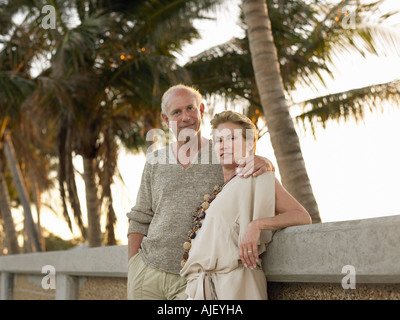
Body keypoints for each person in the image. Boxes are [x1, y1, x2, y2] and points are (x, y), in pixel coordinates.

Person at [126, 84, 274, 300]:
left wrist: (267, 161)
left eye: (190, 109)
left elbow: (253, 174)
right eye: (176, 112)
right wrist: (134, 267)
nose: (185, 117)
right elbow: (140, 216)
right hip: (147, 271)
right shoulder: (155, 160)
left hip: (194, 278)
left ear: (202, 110)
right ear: (166, 120)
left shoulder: (223, 153)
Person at [180, 110, 312, 300]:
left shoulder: (258, 176)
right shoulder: (219, 190)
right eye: (218, 141)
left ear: (249, 143)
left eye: (231, 138)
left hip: (236, 286)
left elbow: (301, 216)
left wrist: (256, 225)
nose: (223, 146)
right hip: (201, 289)